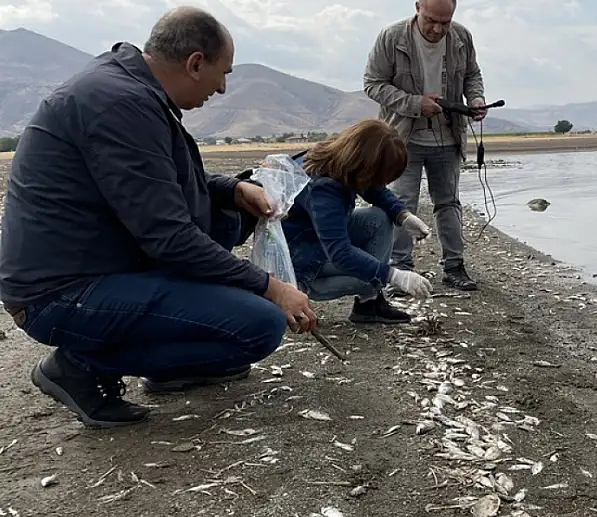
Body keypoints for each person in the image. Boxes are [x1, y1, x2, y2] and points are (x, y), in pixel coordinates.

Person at [0, 6, 316, 430]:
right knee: (258, 323)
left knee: (223, 225)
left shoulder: (126, 88)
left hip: (91, 267)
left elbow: (153, 175)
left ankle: (171, 364)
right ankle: (80, 364)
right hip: (60, 293)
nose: (222, 89)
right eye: (223, 74)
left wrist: (231, 189)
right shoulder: (119, 103)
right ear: (195, 63)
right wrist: (272, 287)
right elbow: (169, 238)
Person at [363, 0, 487, 293]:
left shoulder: (461, 36)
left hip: (448, 136)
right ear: (417, 6)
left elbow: (472, 75)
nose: (438, 29)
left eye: (445, 22)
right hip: (402, 140)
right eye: (431, 20)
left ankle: (455, 267)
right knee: (402, 204)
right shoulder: (391, 37)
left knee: (449, 203)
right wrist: (416, 104)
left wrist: (477, 99)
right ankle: (402, 269)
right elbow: (372, 84)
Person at [283, 119, 435, 323]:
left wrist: (403, 216)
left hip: (317, 240)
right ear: (366, 165)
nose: (383, 183)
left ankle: (369, 303)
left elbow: (374, 189)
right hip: (304, 264)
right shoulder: (323, 189)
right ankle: (368, 296)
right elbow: (340, 252)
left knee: (380, 218)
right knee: (372, 278)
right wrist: (393, 275)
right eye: (381, 176)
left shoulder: (340, 158)